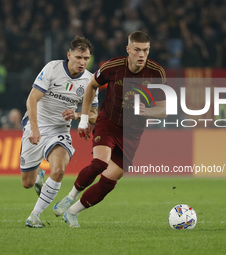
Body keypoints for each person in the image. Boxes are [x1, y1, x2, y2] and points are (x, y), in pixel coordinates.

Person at [53, 31, 167, 228]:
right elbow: (91, 86)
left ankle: (72, 213)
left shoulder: (156, 73)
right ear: (128, 50)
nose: (141, 55)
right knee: (99, 163)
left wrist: (148, 110)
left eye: (146, 50)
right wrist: (84, 119)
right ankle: (71, 195)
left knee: (110, 180)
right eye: (137, 50)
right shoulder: (113, 66)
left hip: (132, 133)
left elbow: (164, 110)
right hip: (108, 123)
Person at [21, 36, 98, 228]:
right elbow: (32, 99)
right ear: (69, 55)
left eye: (86, 58)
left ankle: (34, 216)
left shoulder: (89, 81)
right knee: (27, 183)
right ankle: (38, 174)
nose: (82, 62)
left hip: (60, 130)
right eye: (79, 57)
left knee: (58, 170)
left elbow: (95, 115)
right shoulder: (52, 68)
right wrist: (35, 129)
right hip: (36, 124)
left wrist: (78, 115)